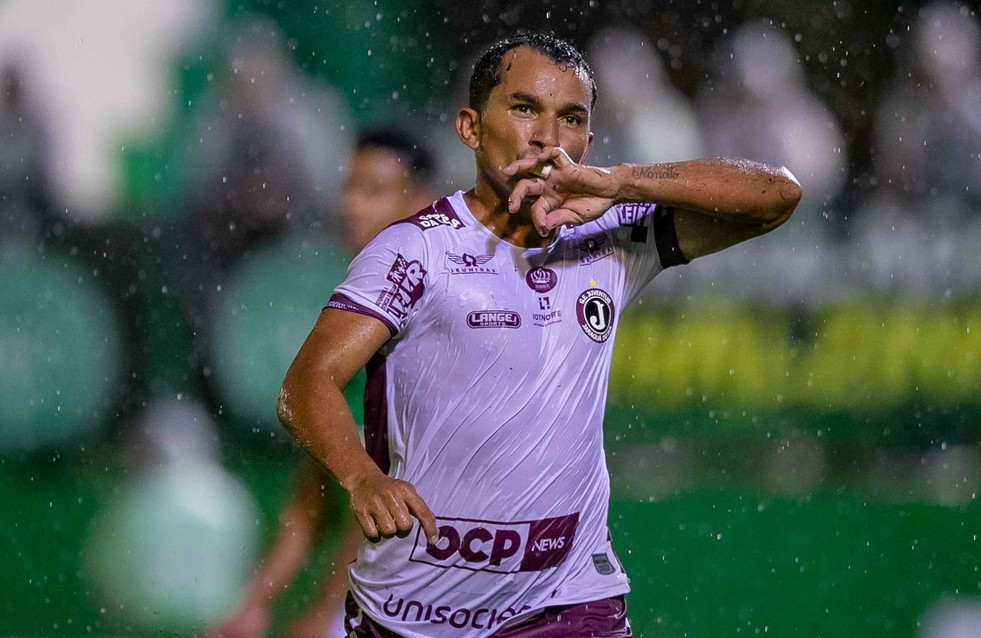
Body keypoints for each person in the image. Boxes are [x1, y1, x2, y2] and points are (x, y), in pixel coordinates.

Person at [277, 32, 801, 638]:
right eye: (525, 108)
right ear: (471, 128)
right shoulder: (417, 249)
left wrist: (621, 182)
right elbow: (307, 383)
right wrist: (362, 478)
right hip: (416, 613)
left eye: (571, 118)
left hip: (568, 602)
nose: (547, 136)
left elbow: (776, 196)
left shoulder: (612, 235)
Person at [208, 127, 438, 638]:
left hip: (442, 605)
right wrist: (254, 602)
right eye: (349, 187)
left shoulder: (439, 318)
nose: (352, 205)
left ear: (421, 202)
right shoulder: (358, 316)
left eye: (373, 190)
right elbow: (316, 495)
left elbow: (384, 504)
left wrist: (330, 613)